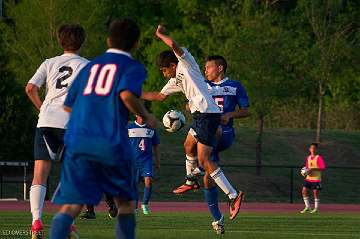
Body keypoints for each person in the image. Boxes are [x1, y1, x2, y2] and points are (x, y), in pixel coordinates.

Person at [49, 18, 156, 239]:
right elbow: (126, 94)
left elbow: (68, 106)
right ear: (136, 43)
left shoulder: (90, 66)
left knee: (71, 206)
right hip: (110, 142)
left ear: (108, 40)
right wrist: (145, 115)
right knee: (124, 204)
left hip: (78, 142)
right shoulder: (132, 66)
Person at [141, 25, 244, 221]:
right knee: (188, 145)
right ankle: (191, 180)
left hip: (207, 113)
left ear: (173, 65)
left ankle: (233, 195)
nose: (164, 74)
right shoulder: (174, 81)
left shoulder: (186, 63)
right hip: (201, 116)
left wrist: (161, 34)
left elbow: (174, 45)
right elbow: (159, 96)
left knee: (205, 160)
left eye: (164, 70)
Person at [25, 24, 88, 239]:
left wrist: (42, 107)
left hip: (47, 120)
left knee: (39, 174)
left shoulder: (49, 63)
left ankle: (36, 223)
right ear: (82, 42)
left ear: (61, 41)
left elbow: (30, 88)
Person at [128, 115, 160, 215]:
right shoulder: (129, 128)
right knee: (134, 185)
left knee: (148, 181)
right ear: (136, 115)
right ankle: (134, 207)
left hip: (146, 160)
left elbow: (156, 146)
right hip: (132, 161)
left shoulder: (151, 129)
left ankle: (145, 204)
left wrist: (158, 160)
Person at [300, 143, 326, 214]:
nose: (313, 149)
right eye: (311, 148)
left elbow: (323, 168)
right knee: (304, 191)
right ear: (309, 149)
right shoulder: (308, 158)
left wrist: (313, 169)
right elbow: (307, 168)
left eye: (314, 148)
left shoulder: (318, 157)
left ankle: (316, 208)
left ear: (316, 149)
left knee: (315, 193)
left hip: (316, 179)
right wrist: (305, 171)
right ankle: (307, 207)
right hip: (308, 178)